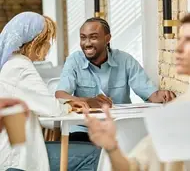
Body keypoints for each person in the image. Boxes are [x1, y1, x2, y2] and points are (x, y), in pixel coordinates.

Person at [84, 13, 190, 171]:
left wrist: (156, 95)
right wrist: (112, 147)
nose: (178, 48)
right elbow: (134, 167)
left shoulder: (125, 60)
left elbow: (148, 91)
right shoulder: (178, 111)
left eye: (188, 40)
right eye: (179, 39)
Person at [0, 12, 99, 171]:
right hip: (17, 159)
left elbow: (40, 102)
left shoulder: (10, 63)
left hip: (15, 149)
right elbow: (52, 109)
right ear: (34, 42)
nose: (49, 46)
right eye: (47, 41)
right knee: (93, 154)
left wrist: (68, 102)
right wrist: (70, 105)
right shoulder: (20, 67)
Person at [55, 17, 176, 140]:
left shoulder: (125, 60)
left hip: (119, 129)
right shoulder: (74, 61)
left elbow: (151, 94)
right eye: (83, 37)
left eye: (93, 37)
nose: (87, 43)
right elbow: (60, 95)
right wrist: (87, 101)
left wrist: (162, 95)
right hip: (84, 129)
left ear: (107, 39)